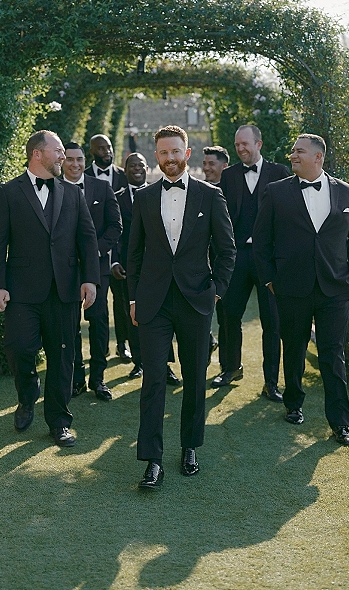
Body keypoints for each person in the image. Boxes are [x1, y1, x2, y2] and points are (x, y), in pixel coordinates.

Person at [128, 125, 236, 489]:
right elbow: (134, 253)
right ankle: (152, 460)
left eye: (176, 151)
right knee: (153, 381)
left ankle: (190, 447)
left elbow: (227, 250)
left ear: (187, 154)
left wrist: (216, 292)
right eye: (163, 153)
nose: (170, 158)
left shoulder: (211, 195)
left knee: (194, 378)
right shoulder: (144, 197)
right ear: (156, 156)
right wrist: (133, 298)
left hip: (196, 301)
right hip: (153, 302)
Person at [0, 130, 99, 447]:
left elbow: (87, 238)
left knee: (63, 358)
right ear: (37, 153)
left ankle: (59, 422)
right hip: (22, 291)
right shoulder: (8, 193)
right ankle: (27, 395)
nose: (64, 156)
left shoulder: (73, 194)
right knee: (19, 347)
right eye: (58, 150)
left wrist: (90, 278)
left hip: (65, 291)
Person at [253, 133, 349, 445]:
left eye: (299, 151)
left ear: (318, 157)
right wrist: (269, 279)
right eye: (292, 151)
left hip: (335, 288)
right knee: (293, 348)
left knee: (333, 353)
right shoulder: (276, 192)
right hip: (291, 287)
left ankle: (341, 423)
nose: (292, 155)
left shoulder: (348, 193)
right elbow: (261, 241)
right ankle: (293, 404)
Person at [215, 125, 290, 401]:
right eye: (237, 145)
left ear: (258, 144)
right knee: (229, 315)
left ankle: (271, 383)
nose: (240, 149)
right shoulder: (229, 175)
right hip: (237, 257)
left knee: (272, 322)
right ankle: (230, 368)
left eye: (245, 144)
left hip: (268, 258)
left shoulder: (280, 173)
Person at [111, 152, 180, 384]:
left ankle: (165, 366)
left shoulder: (160, 194)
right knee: (133, 313)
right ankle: (139, 362)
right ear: (125, 170)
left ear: (147, 168)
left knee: (162, 314)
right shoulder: (116, 198)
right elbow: (114, 232)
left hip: (156, 266)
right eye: (132, 165)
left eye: (141, 165)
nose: (137, 169)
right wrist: (114, 261)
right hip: (126, 266)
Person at [62, 142, 122, 401]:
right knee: (69, 324)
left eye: (79, 159)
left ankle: (98, 378)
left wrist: (95, 250)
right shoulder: (53, 187)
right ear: (62, 161)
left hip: (97, 268)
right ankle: (76, 378)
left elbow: (115, 226)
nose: (75, 164)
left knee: (98, 321)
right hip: (64, 269)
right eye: (70, 159)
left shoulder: (102, 187)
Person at [84, 133, 130, 361]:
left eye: (109, 147)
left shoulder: (124, 176)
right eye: (101, 148)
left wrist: (117, 256)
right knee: (98, 308)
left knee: (122, 303)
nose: (107, 152)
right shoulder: (83, 177)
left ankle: (123, 344)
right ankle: (100, 349)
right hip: (96, 254)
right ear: (92, 151)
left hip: (121, 253)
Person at [201, 145, 230, 362]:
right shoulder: (198, 190)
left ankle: (228, 364)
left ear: (224, 166)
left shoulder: (232, 191)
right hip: (201, 262)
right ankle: (207, 344)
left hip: (225, 261)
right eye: (204, 163)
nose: (206, 168)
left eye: (212, 163)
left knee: (227, 316)